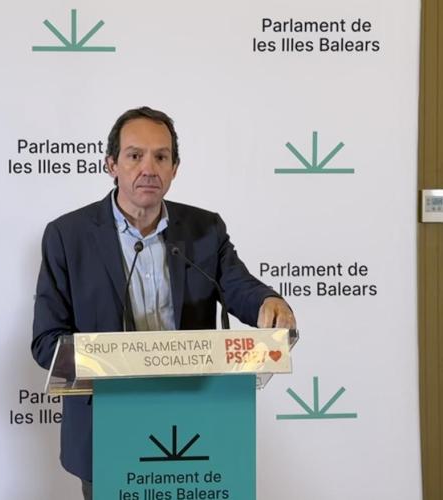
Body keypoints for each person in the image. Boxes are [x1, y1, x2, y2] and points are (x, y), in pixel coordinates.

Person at [31, 107, 296, 499]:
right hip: (107, 427)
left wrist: (268, 301)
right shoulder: (67, 236)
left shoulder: (205, 229)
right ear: (111, 164)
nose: (149, 168)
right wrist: (111, 361)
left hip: (194, 424)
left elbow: (238, 285)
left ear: (175, 168)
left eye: (161, 156)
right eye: (135, 155)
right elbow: (47, 342)